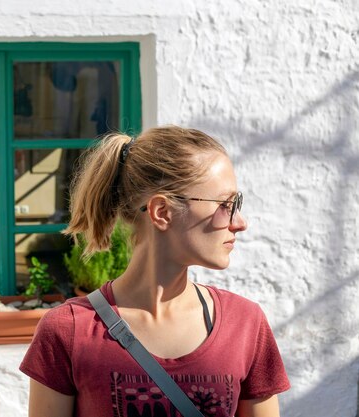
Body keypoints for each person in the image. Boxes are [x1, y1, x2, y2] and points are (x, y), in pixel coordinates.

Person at [19, 126, 290, 417]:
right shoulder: (68, 330)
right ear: (162, 212)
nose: (240, 222)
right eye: (225, 204)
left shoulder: (246, 324)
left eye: (236, 204)